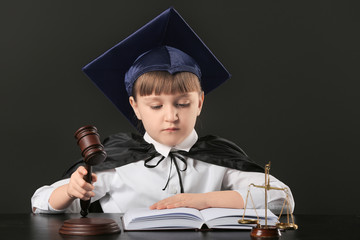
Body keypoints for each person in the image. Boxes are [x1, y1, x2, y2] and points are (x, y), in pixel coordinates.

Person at [31, 8, 294, 214]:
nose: (171, 116)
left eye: (183, 103)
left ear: (200, 102)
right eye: (156, 106)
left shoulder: (217, 157)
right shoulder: (117, 160)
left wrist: (201, 200)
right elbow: (41, 202)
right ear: (135, 107)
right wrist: (70, 192)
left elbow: (280, 198)